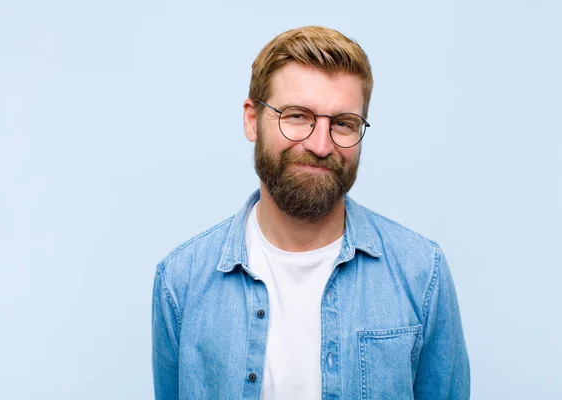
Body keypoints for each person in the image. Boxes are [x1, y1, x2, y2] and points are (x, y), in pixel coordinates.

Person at [152, 25, 470, 399]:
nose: (320, 145)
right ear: (252, 119)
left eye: (343, 124)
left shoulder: (422, 272)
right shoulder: (181, 281)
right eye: (297, 116)